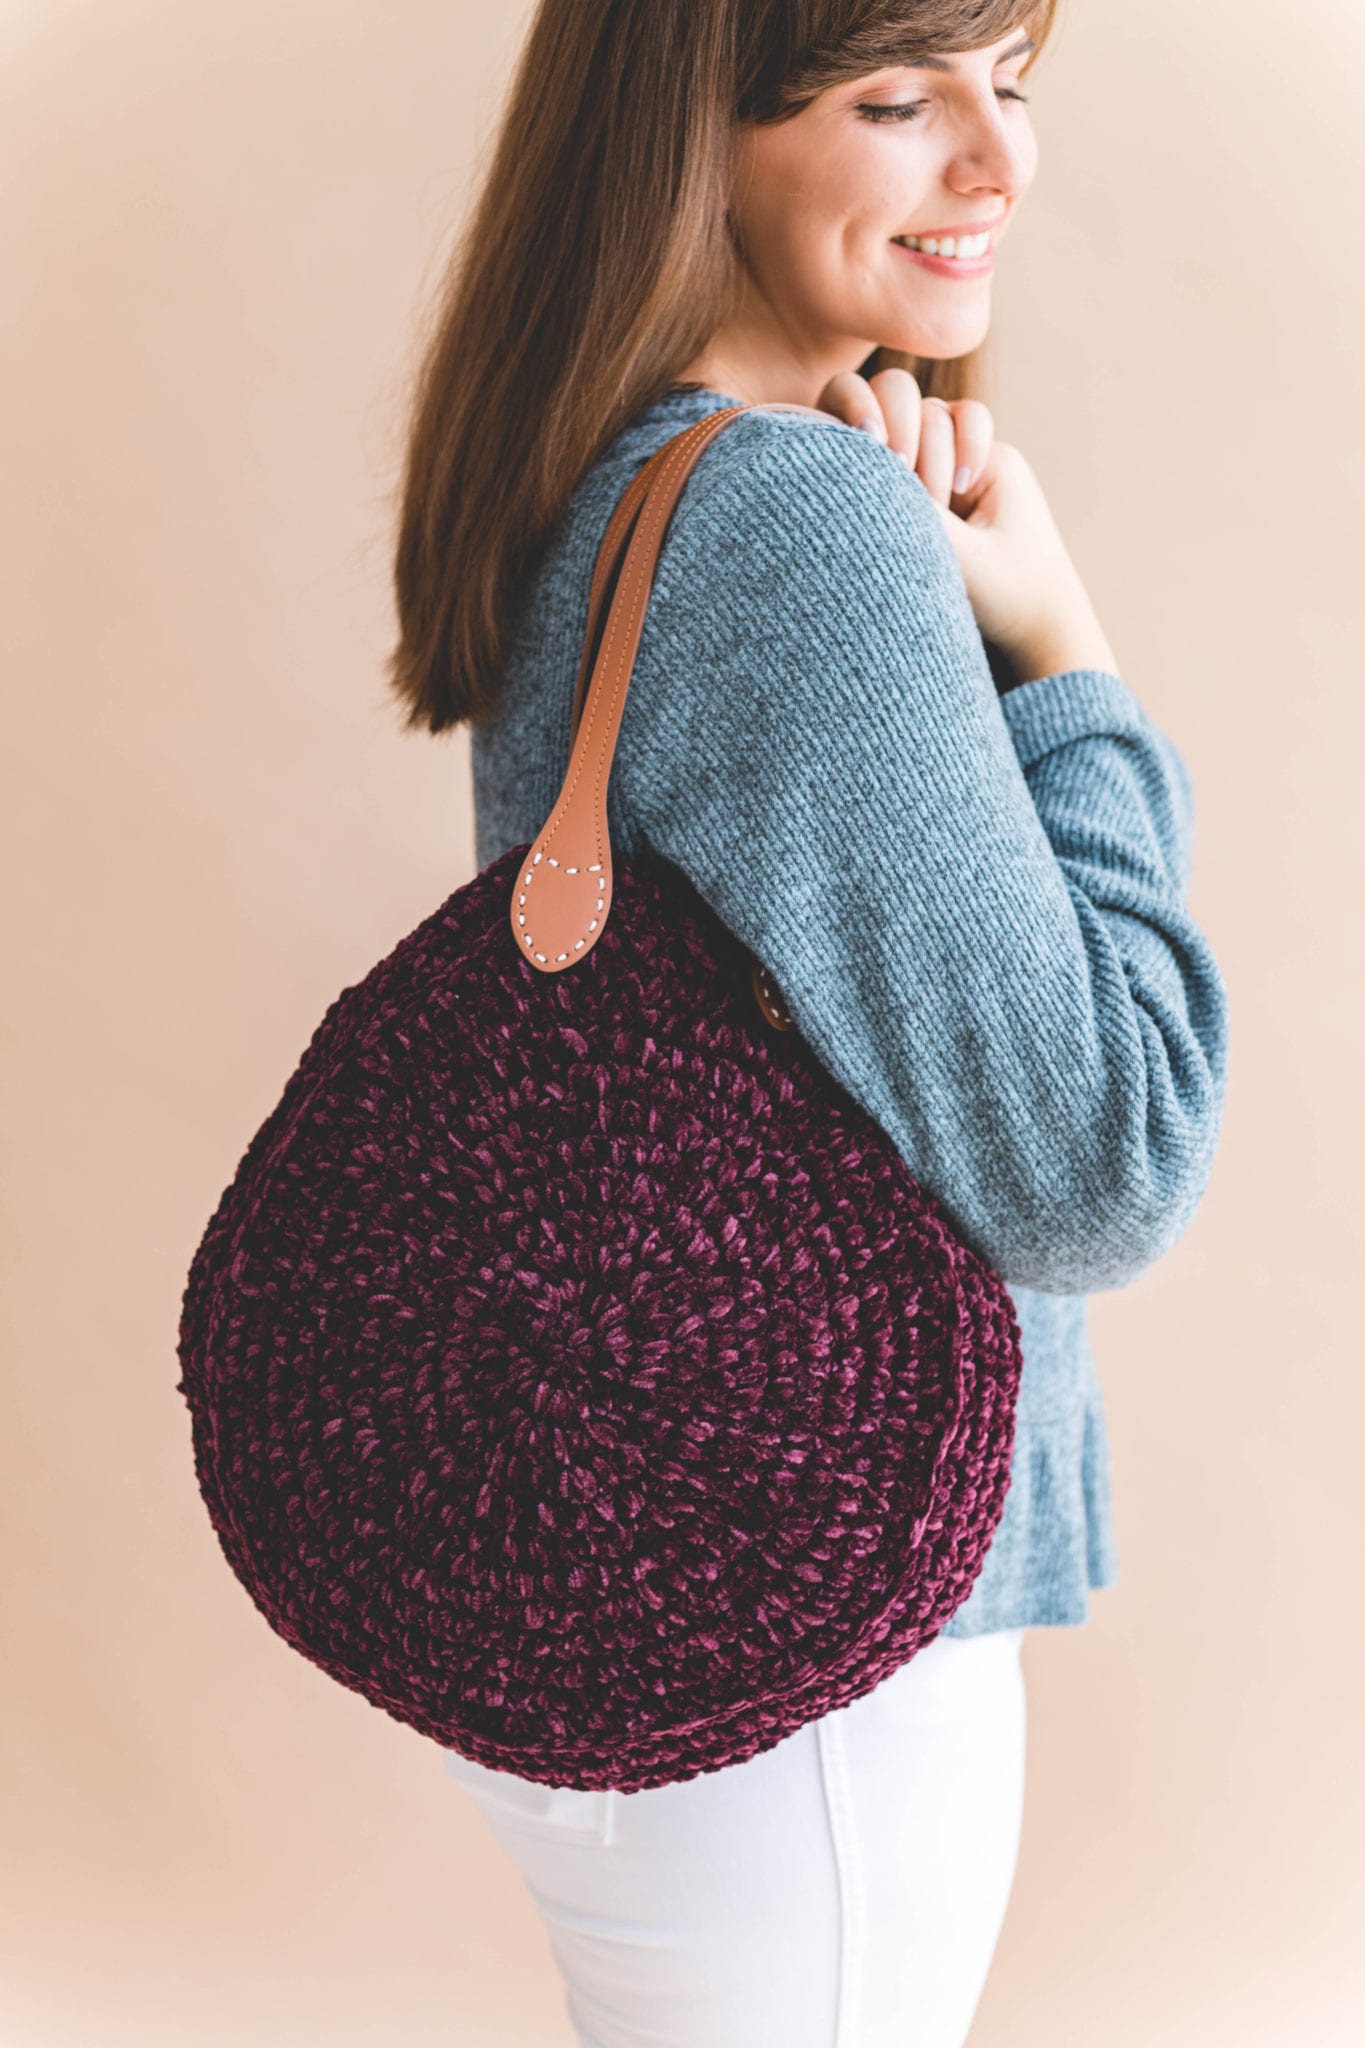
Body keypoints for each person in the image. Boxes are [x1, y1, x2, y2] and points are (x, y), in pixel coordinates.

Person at [384, 3, 1230, 2043]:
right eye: (892, 95)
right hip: (818, 1639)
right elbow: (1092, 1156)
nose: (993, 162)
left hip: (636, 1600)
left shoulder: (610, 480)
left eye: (1008, 85)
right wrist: (1062, 654)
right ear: (701, 134)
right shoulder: (789, 527)